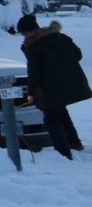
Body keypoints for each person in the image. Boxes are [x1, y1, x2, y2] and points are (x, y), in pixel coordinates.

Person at [20, 18, 89, 159]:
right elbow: (78, 55)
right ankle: (74, 143)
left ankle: (63, 152)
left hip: (49, 87)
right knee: (61, 112)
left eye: (23, 33)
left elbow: (34, 71)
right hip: (68, 82)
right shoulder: (60, 37)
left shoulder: (33, 46)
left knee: (51, 118)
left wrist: (31, 92)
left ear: (27, 32)